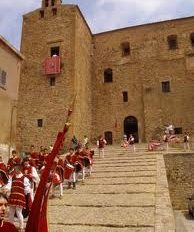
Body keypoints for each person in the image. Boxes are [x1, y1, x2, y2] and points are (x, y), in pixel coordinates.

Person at [4, 164, 31, 231]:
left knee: (19, 212)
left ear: (19, 169)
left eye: (16, 169)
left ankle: (21, 226)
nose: (15, 170)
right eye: (14, 169)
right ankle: (10, 226)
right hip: (13, 196)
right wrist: (7, 189)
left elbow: (27, 190)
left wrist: (23, 193)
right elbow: (9, 184)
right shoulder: (12, 177)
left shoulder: (24, 178)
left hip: (20, 197)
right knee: (11, 212)